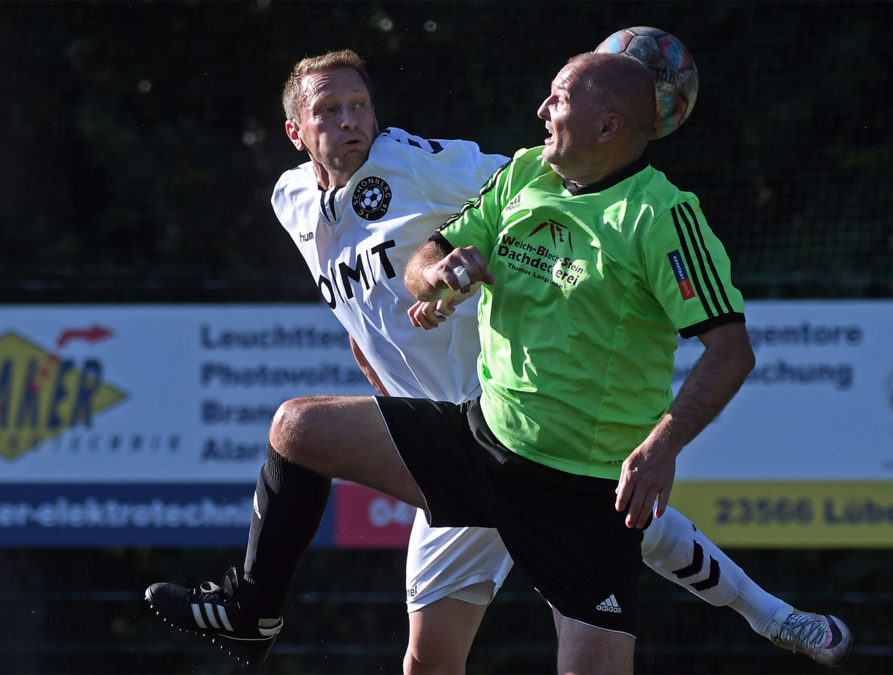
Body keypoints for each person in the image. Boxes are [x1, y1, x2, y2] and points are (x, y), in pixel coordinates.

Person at [145, 50, 852, 672]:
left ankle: (768, 613)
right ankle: (251, 609)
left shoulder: (426, 163)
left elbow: (537, 182)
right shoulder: (293, 199)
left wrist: (662, 441)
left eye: (359, 103)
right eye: (330, 110)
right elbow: (381, 280)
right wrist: (418, 292)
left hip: (520, 432)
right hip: (467, 443)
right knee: (427, 655)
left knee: (629, 510)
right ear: (296, 131)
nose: (351, 120)